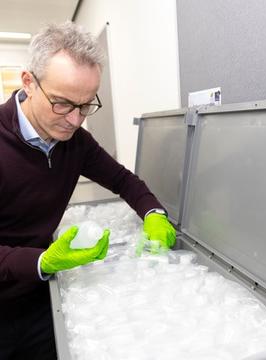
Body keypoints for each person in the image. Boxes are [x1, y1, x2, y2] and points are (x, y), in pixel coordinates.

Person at [0, 21, 176, 360]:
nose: (75, 120)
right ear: (28, 83)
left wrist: (154, 214)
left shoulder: (75, 142)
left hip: (44, 296)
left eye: (85, 105)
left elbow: (125, 181)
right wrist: (42, 259)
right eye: (63, 103)